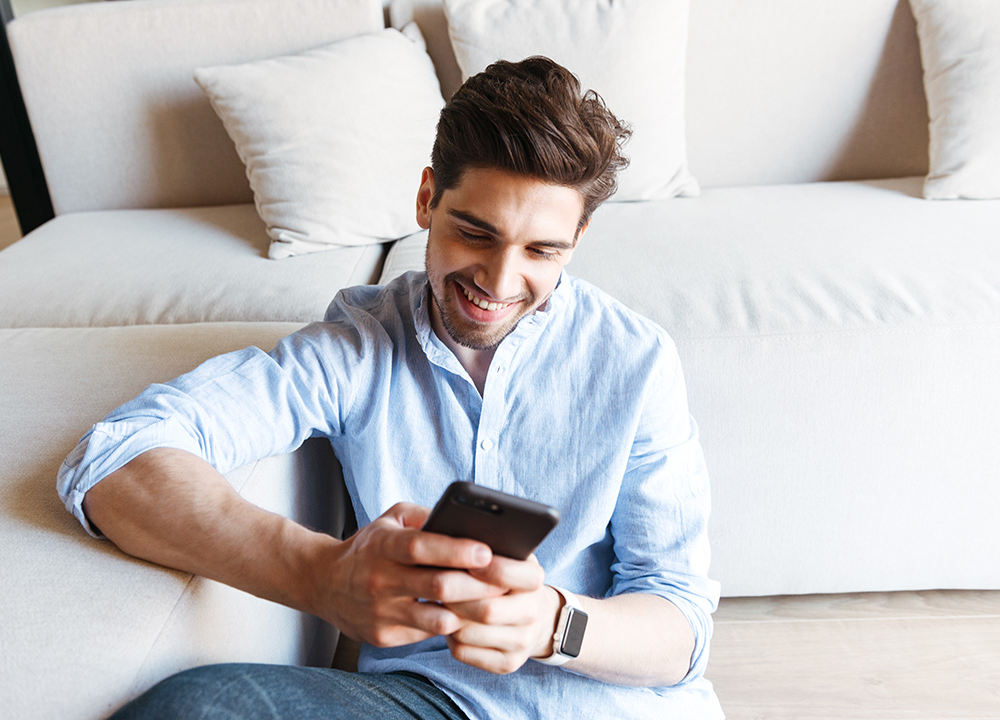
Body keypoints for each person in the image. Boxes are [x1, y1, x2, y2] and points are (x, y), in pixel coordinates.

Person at [57, 56, 722, 719]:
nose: (497, 280)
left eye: (539, 251)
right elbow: (115, 457)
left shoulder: (634, 362)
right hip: (429, 703)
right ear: (427, 198)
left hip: (609, 708)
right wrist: (319, 575)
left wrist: (552, 623)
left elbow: (680, 629)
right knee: (202, 706)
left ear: (577, 238)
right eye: (474, 233)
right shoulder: (357, 348)